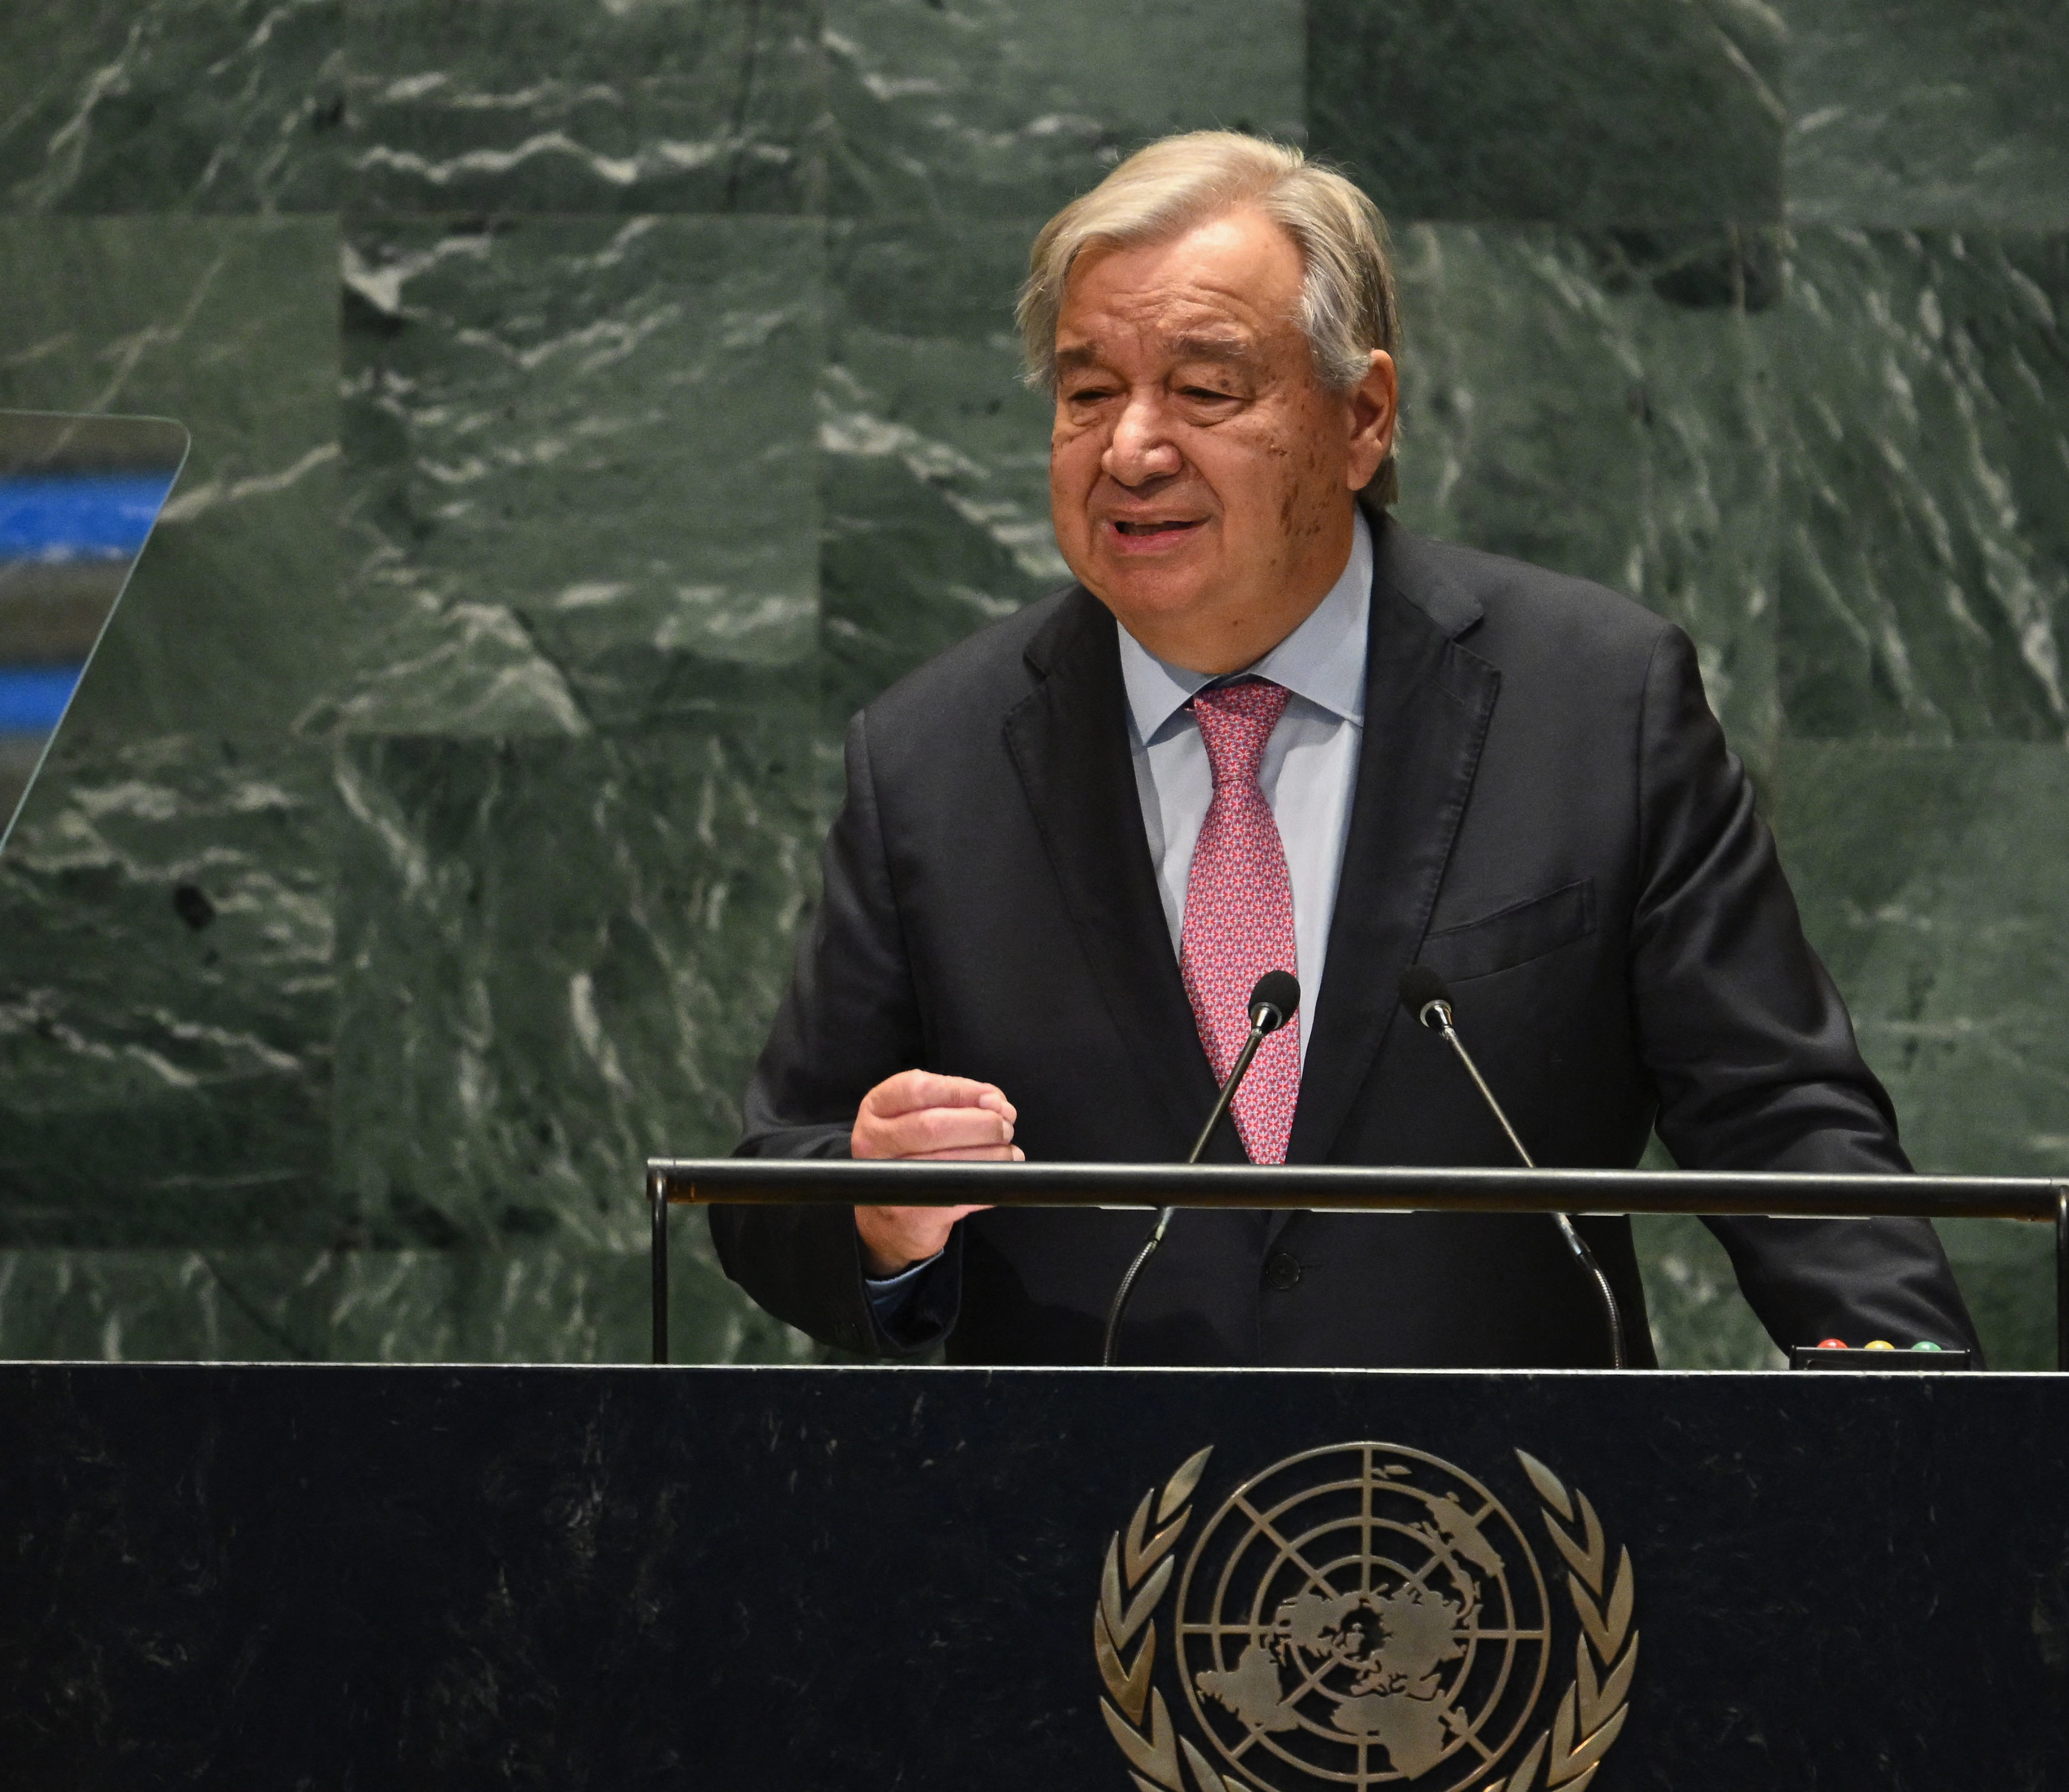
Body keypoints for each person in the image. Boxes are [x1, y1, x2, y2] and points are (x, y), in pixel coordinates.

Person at [712, 131, 1975, 1367]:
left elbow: (1781, 1122)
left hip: (1512, 1538)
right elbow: (770, 1181)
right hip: (1079, 1548)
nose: (1130, 448)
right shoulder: (934, 759)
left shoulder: (1595, 703)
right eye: (1087, 391)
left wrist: (1907, 1401)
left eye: (1204, 389)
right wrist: (875, 1210)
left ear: (1361, 415)